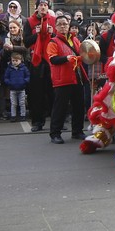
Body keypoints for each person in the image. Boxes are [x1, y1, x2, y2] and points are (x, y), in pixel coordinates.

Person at [46, 14, 85, 144]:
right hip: (62, 79)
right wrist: (66, 58)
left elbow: (82, 53)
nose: (63, 26)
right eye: (60, 24)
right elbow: (53, 59)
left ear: (69, 26)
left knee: (79, 106)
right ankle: (55, 134)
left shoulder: (75, 40)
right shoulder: (53, 42)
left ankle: (77, 131)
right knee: (60, 108)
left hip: (77, 76)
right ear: (56, 27)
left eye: (65, 24)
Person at [23, 0, 56, 132]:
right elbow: (26, 42)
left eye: (45, 5)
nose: (43, 7)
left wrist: (52, 34)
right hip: (36, 60)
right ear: (36, 7)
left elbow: (60, 39)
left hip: (51, 60)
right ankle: (37, 122)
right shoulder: (29, 21)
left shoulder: (53, 20)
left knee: (53, 92)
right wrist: (35, 34)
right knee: (37, 93)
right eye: (41, 5)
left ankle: (57, 121)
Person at [3, 51, 30, 122]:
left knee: (22, 103)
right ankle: (13, 116)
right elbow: (6, 77)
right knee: (13, 104)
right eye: (13, 60)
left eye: (16, 60)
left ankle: (23, 115)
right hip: (12, 89)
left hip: (22, 88)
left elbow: (28, 76)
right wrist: (9, 83)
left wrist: (24, 81)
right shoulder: (9, 69)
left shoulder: (24, 68)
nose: (14, 62)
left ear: (20, 60)